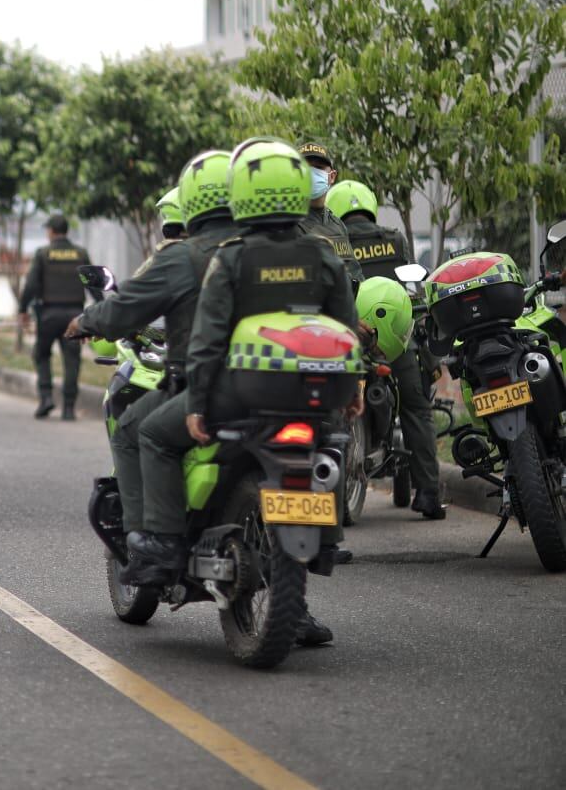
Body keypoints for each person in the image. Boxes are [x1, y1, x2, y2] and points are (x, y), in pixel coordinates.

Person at [130, 138, 362, 646]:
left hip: (240, 396)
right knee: (329, 451)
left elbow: (208, 340)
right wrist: (355, 388)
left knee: (152, 433)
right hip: (313, 397)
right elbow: (344, 324)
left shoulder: (232, 259)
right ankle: (312, 571)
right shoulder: (323, 254)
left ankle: (163, 549)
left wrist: (195, 405)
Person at [66, 153, 238, 538]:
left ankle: (153, 544)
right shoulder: (270, 248)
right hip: (277, 386)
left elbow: (127, 307)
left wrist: (86, 322)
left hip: (209, 387)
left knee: (138, 432)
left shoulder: (186, 256)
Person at [327, 179, 445, 519]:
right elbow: (412, 290)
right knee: (416, 406)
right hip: (393, 339)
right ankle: (428, 494)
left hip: (347, 333)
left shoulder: (334, 240)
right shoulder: (393, 239)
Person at [19, 214, 90, 420]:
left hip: (49, 314)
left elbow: (31, 285)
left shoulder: (43, 253)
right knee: (72, 360)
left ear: (51, 231)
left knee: (41, 354)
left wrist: (23, 309)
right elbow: (92, 283)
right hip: (75, 317)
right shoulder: (80, 253)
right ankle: (68, 408)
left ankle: (46, 398)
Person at [296, 142, 363, 284]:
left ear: (331, 177)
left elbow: (355, 274)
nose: (312, 174)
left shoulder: (338, 225)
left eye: (319, 168)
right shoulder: (290, 225)